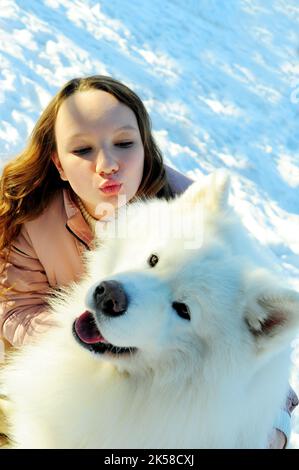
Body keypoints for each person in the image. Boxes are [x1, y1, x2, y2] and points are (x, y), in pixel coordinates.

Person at [0, 75, 296, 448]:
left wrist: (275, 427)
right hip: (56, 378)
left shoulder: (196, 213)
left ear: (145, 147)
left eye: (124, 143)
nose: (107, 164)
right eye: (83, 150)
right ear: (58, 163)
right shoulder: (28, 213)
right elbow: (15, 307)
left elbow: (253, 342)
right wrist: (83, 343)